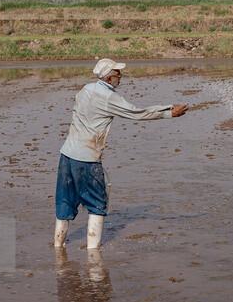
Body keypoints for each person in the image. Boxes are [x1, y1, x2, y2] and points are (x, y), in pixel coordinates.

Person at [54, 58, 189, 249]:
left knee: (64, 202)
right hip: (87, 158)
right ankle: (94, 256)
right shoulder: (109, 97)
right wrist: (168, 112)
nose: (121, 77)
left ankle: (58, 247)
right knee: (97, 205)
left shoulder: (86, 89)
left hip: (66, 155)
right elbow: (136, 113)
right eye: (118, 74)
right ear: (109, 77)